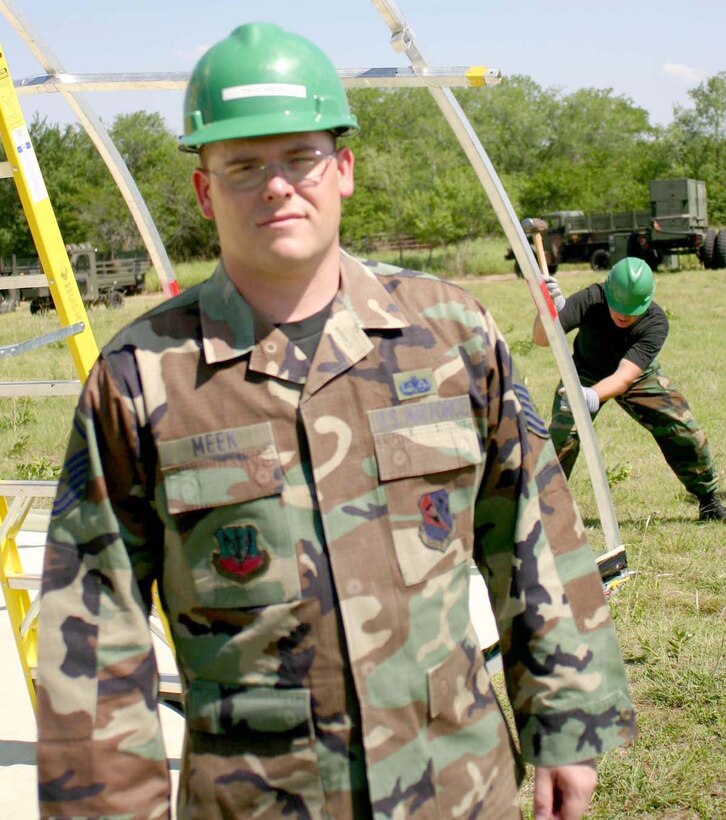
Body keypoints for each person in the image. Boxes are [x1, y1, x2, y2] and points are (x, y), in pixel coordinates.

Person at [36, 22, 636, 820]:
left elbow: (533, 531)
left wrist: (567, 721)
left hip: (456, 789)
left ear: (344, 169)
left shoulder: (451, 334)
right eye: (243, 165)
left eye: (300, 158)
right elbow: (96, 633)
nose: (277, 186)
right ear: (205, 191)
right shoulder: (143, 378)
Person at [534, 257, 726, 522]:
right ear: (608, 293)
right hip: (584, 372)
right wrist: (547, 311)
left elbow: (625, 377)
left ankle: (708, 501)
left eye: (632, 310)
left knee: (683, 426)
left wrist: (591, 396)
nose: (624, 315)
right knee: (561, 436)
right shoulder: (591, 298)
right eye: (618, 307)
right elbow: (541, 339)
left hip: (636, 374)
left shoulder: (656, 322)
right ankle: (542, 511)